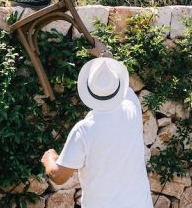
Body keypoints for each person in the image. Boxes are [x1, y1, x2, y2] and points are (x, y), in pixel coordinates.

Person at [40, 57, 152, 208]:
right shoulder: (131, 106)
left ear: (88, 90)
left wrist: (49, 158)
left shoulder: (85, 130)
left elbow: (58, 176)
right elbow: (122, 83)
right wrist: (104, 52)